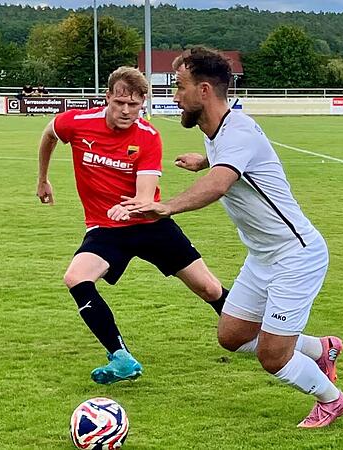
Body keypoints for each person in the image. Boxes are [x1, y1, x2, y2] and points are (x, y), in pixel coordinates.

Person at [119, 47, 343, 428]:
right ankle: (322, 348)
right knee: (232, 336)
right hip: (263, 257)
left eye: (179, 87)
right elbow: (227, 159)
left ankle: (331, 399)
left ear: (204, 91)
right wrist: (203, 159)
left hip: (296, 256)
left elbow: (220, 184)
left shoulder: (236, 131)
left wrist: (166, 207)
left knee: (273, 357)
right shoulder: (220, 128)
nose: (174, 96)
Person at [36, 66, 229, 385]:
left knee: (208, 287)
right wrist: (43, 179)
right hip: (106, 228)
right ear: (108, 97)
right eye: (120, 103)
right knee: (76, 277)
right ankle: (121, 357)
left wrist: (132, 207)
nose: (126, 111)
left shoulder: (148, 137)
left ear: (143, 104)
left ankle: (254, 333)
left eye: (135, 105)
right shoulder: (77, 122)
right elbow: (48, 134)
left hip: (149, 224)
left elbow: (144, 194)